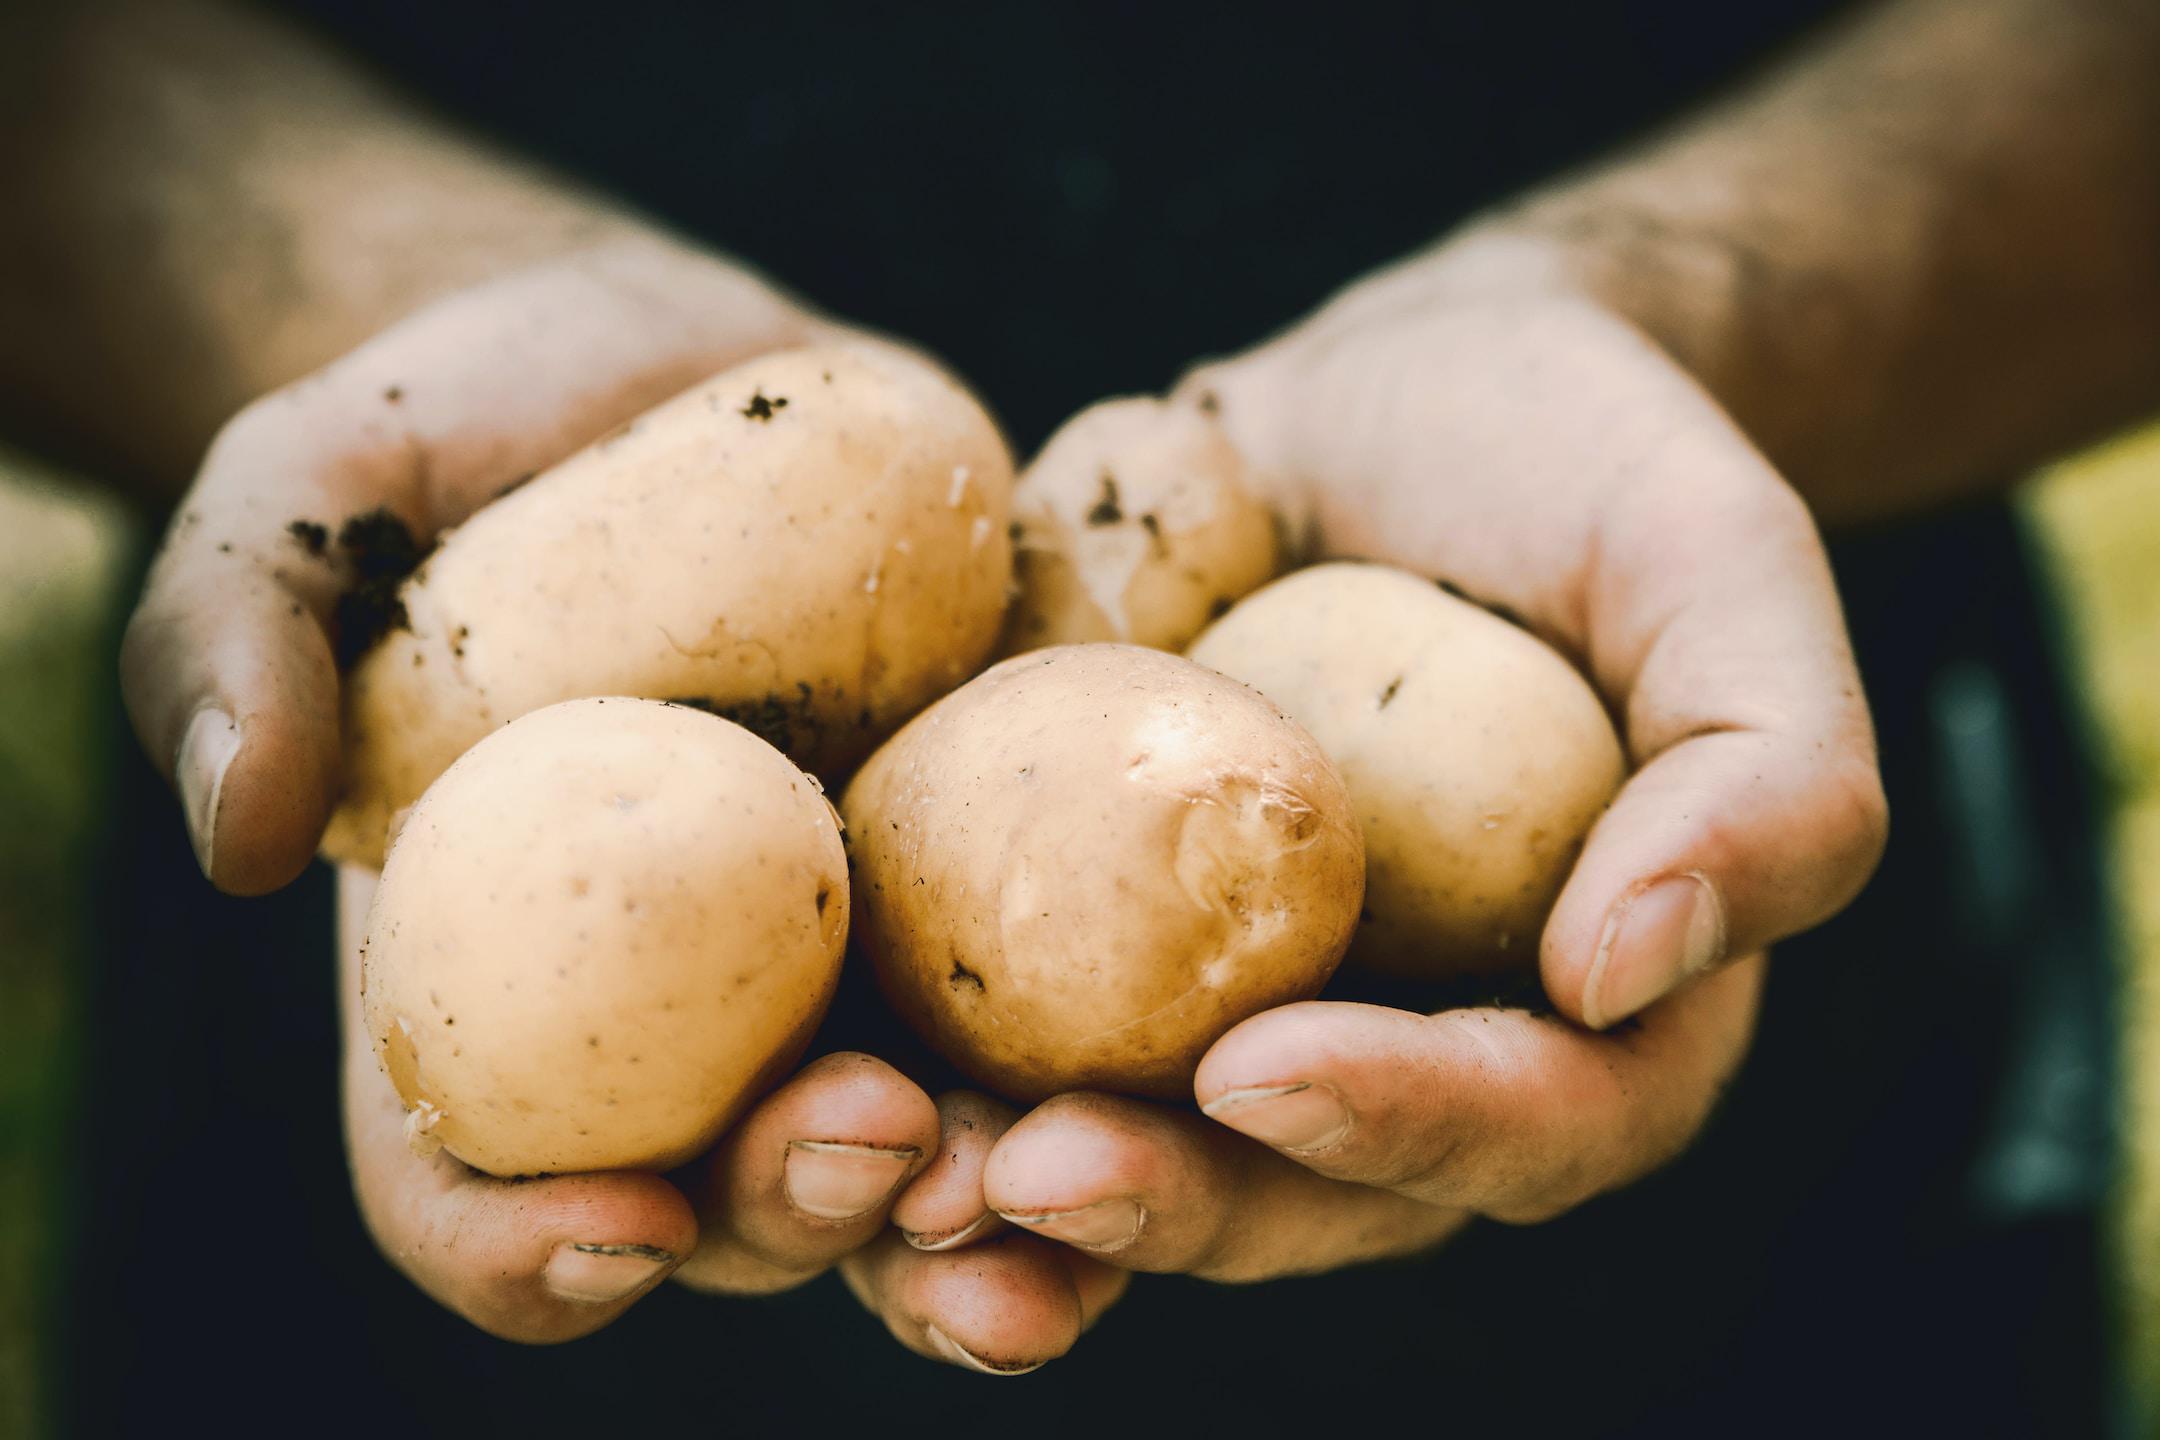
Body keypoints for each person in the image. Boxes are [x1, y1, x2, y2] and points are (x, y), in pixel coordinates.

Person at [3, 0, 2147, 1432]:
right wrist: (357, 313)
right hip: (381, 1091)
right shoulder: (479, 744)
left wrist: (1676, 319)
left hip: (1740, 1142)